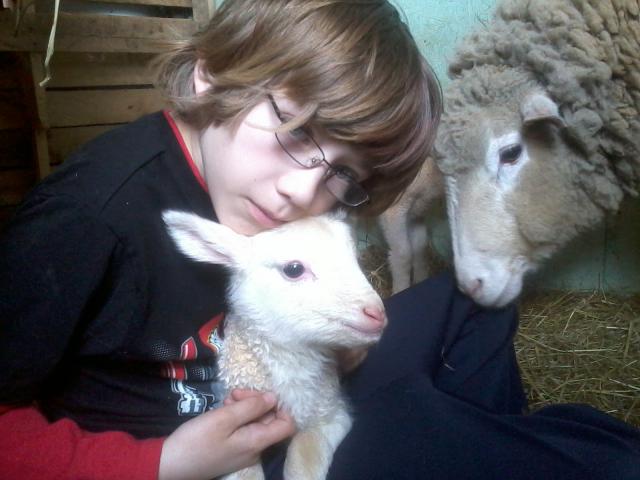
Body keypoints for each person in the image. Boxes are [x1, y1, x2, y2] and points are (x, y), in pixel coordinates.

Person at [0, 1, 638, 479]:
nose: (302, 191)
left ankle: (468, 439)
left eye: (343, 174)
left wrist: (333, 337)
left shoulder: (242, 177)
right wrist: (161, 464)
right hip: (216, 454)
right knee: (558, 454)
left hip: (307, 381)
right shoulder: (86, 220)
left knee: (471, 306)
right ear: (210, 74)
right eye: (296, 130)